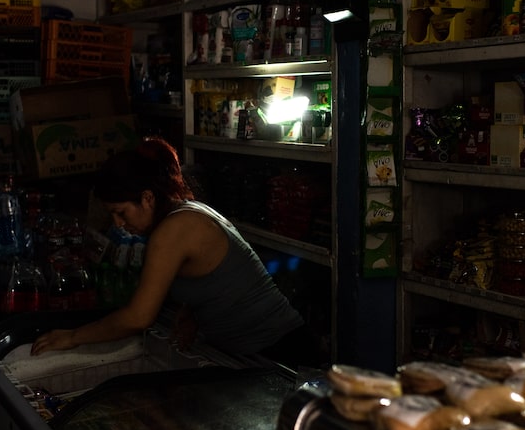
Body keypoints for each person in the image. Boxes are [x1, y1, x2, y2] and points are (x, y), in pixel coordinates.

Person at [30, 136, 318, 367]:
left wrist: (73, 337)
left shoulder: (173, 230)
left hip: (282, 354)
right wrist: (192, 310)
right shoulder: (184, 214)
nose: (119, 224)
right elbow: (217, 280)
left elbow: (138, 317)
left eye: (121, 212)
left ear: (147, 198)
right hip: (259, 351)